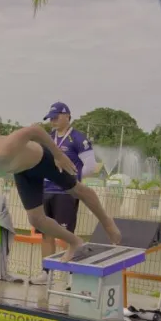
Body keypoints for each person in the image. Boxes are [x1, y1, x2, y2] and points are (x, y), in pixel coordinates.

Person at [0, 109, 121, 262]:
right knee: (36, 219)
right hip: (23, 172)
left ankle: (107, 222)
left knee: (77, 190)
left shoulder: (3, 148)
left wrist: (58, 155)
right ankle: (75, 242)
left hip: (43, 160)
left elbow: (35, 130)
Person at [31, 102, 100, 284]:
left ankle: (71, 276)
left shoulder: (78, 139)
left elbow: (91, 167)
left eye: (56, 117)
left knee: (66, 234)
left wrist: (70, 178)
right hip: (45, 191)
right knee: (46, 234)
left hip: (65, 193)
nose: (53, 121)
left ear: (67, 115)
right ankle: (46, 272)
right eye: (50, 118)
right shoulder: (48, 138)